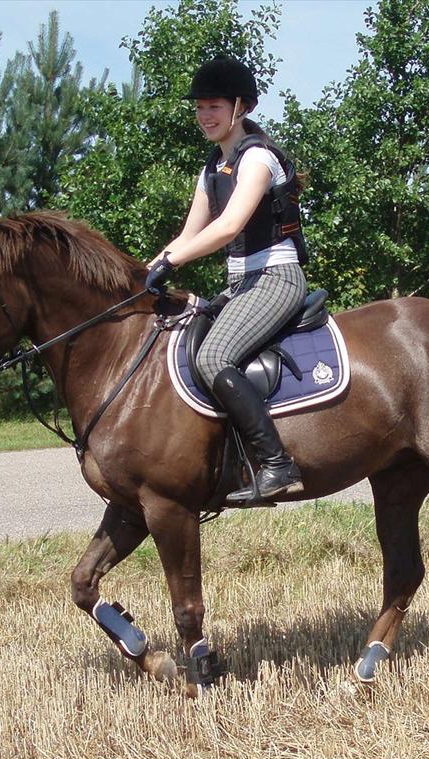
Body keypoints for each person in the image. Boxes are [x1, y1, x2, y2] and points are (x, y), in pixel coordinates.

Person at [145, 56, 308, 504]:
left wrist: (171, 262)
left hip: (276, 278)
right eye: (200, 107)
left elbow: (228, 227)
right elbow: (187, 235)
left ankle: (277, 464)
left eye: (214, 106)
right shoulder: (212, 167)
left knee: (214, 356)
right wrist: (142, 275)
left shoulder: (258, 158)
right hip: (240, 284)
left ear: (241, 107)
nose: (205, 116)